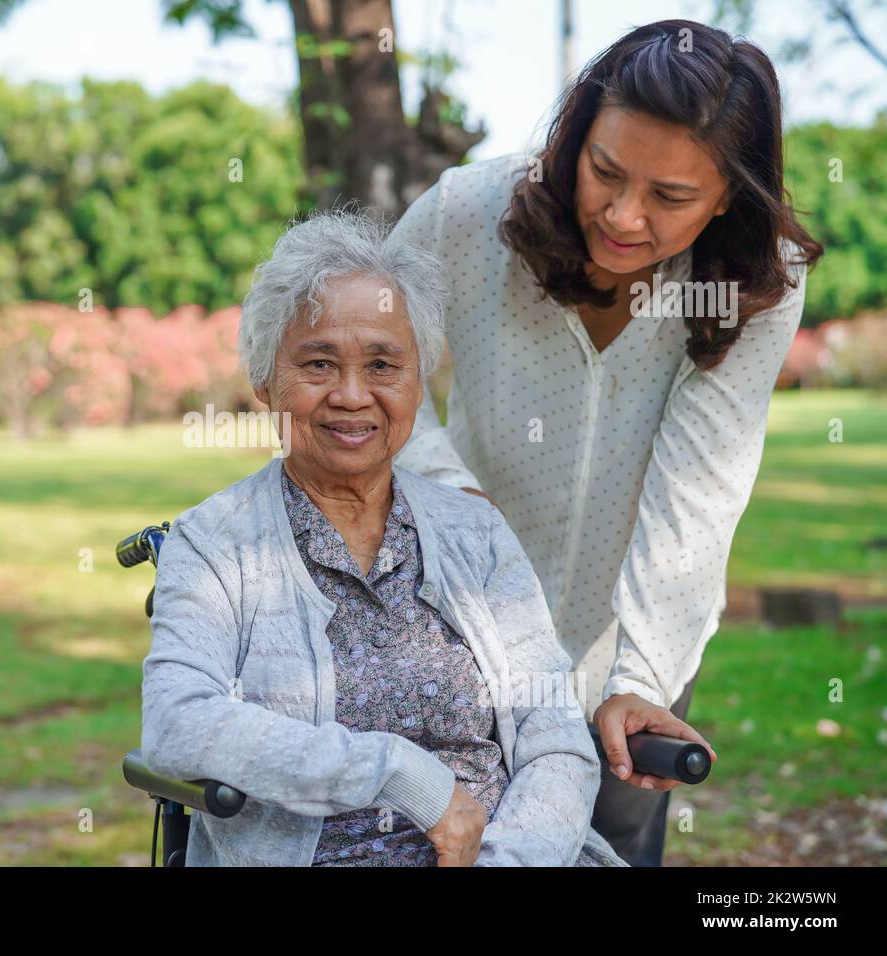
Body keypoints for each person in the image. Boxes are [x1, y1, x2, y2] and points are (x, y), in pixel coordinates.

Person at [389, 19, 822, 865]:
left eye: (670, 197)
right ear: (577, 136)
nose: (623, 217)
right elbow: (368, 371)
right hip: (454, 614)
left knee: (607, 851)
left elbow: (698, 489)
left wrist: (640, 681)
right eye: (605, 172)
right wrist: (448, 497)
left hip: (632, 630)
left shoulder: (759, 280)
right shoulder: (469, 212)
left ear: (729, 195)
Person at [140, 207, 627, 866]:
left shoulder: (474, 531)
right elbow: (178, 723)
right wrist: (401, 774)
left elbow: (555, 738)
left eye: (381, 364)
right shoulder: (215, 542)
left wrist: (510, 861)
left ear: (416, 381)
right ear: (266, 381)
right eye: (317, 364)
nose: (351, 395)